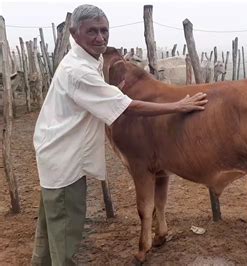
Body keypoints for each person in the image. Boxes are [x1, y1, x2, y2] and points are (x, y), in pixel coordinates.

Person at [31, 4, 207, 265]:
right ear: (74, 32)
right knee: (66, 226)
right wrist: (178, 106)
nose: (100, 38)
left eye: (104, 31)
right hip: (63, 157)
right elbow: (126, 106)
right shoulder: (77, 72)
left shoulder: (88, 58)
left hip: (55, 152)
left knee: (51, 223)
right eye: (92, 31)